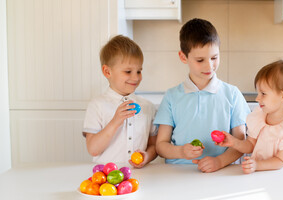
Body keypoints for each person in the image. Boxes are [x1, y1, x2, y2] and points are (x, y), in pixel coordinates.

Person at [154, 18, 250, 173]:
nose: (209, 66)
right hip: (177, 172)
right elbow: (161, 145)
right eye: (200, 60)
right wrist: (181, 152)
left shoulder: (232, 94)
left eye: (214, 57)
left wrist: (219, 162)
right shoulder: (171, 96)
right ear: (183, 57)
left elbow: (240, 143)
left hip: (222, 171)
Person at [217, 60, 283, 174]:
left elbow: (280, 161)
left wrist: (257, 165)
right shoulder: (260, 116)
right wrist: (234, 142)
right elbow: (250, 145)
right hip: (264, 172)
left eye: (263, 93)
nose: (257, 98)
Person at [83, 35, 158, 168]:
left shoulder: (148, 107)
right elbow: (93, 149)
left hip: (139, 176)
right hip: (106, 178)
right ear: (107, 71)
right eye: (128, 71)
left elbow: (153, 145)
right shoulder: (97, 106)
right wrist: (115, 121)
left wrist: (147, 156)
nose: (135, 77)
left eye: (139, 71)